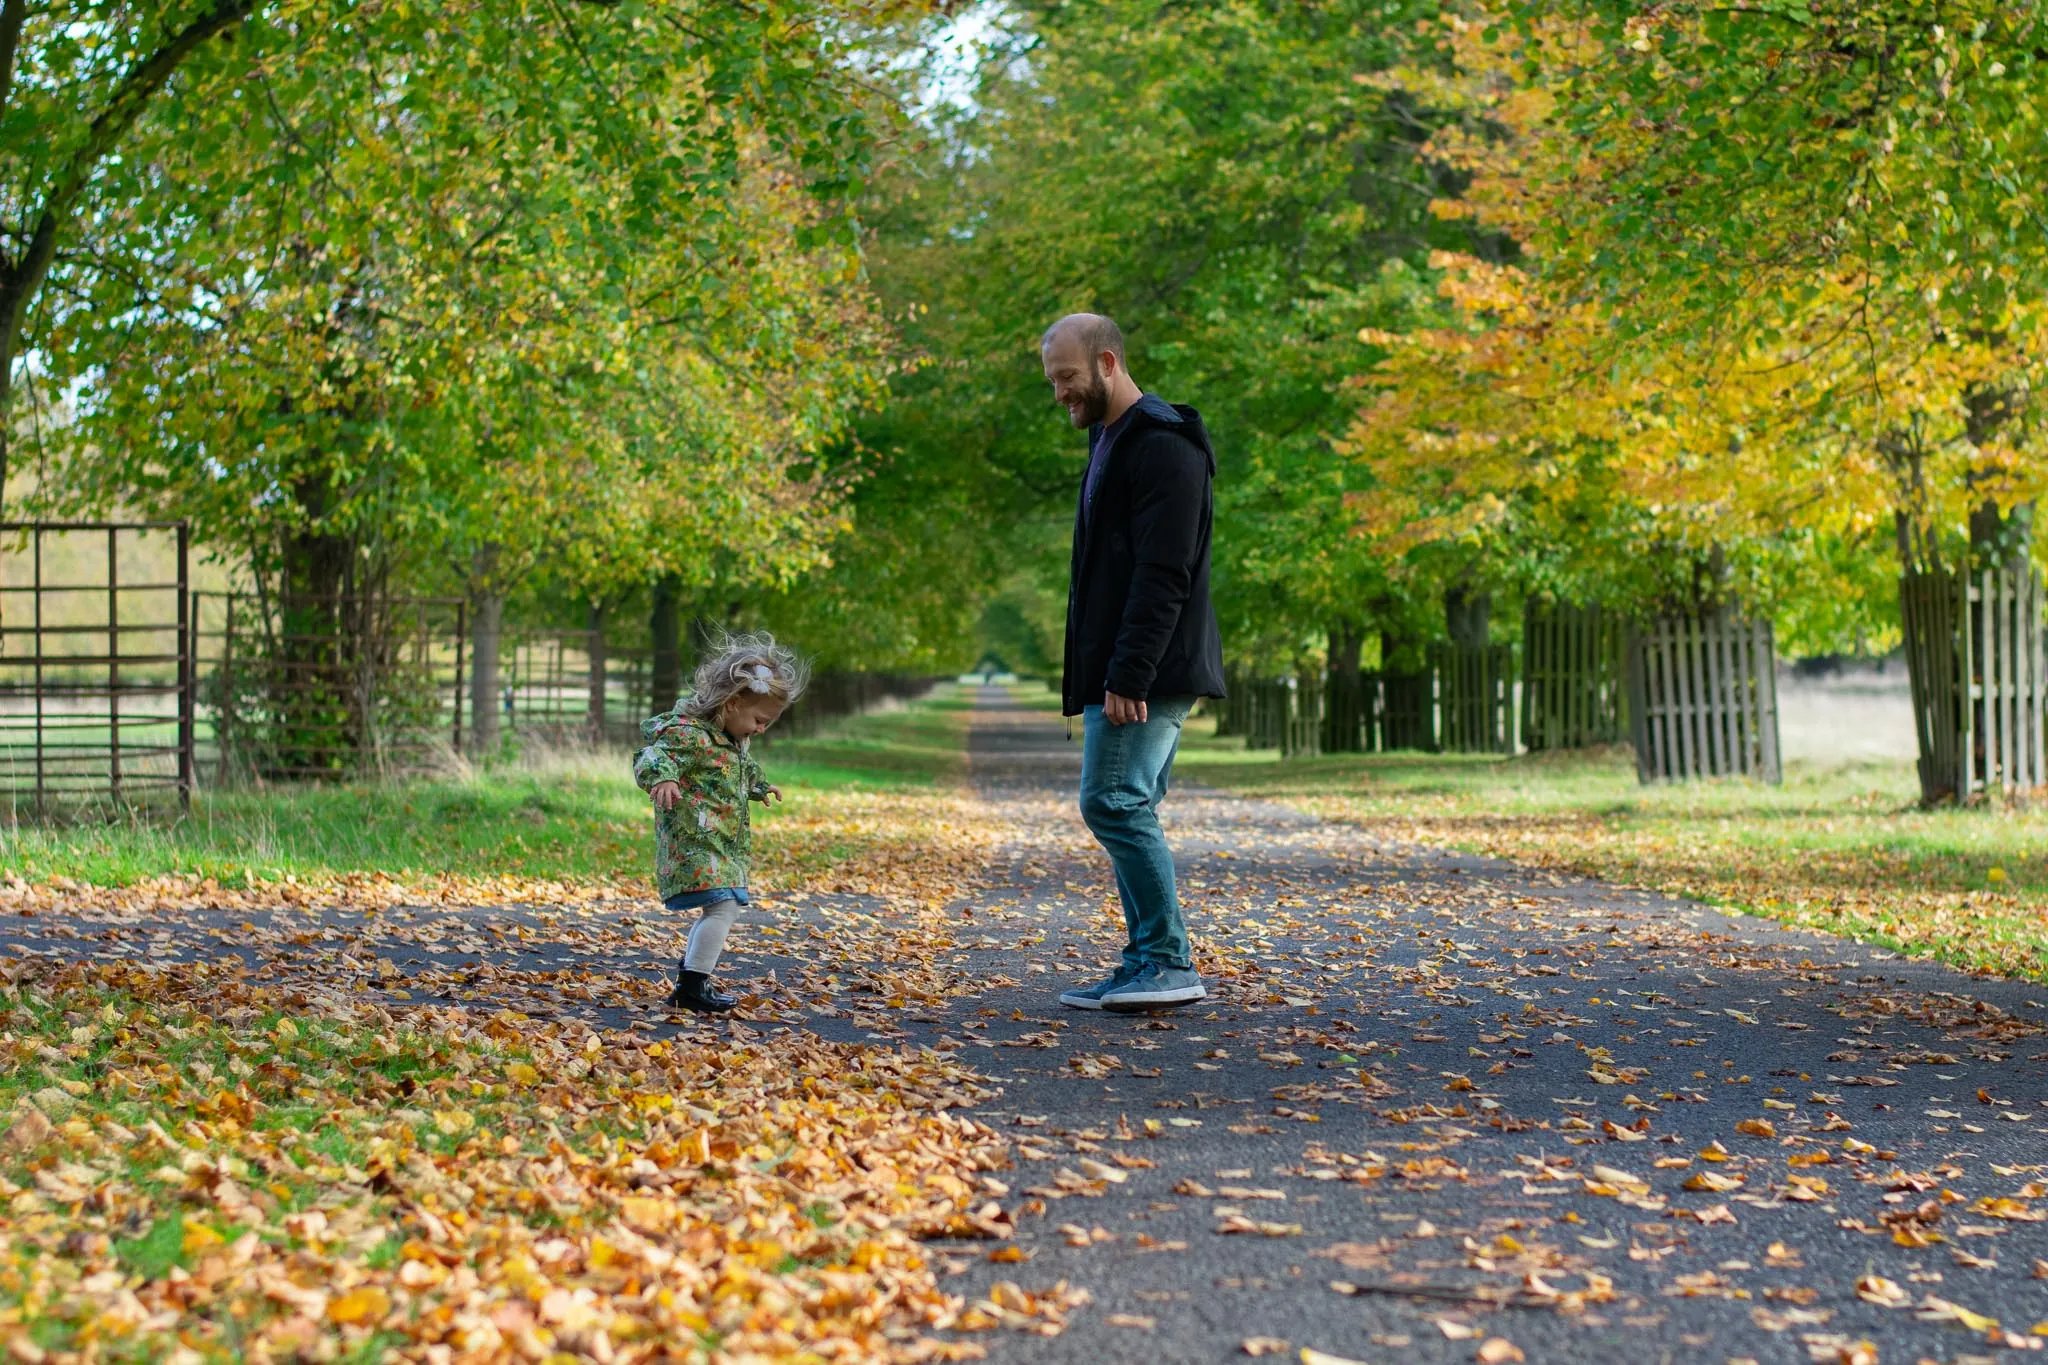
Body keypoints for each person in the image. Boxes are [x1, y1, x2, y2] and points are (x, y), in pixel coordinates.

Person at [1041, 313, 1226, 1013]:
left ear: (1108, 363)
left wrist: (1128, 673)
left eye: (1068, 378)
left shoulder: (1164, 446)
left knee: (1111, 800)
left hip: (1147, 668)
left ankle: (1167, 961)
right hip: (1123, 665)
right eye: (1052, 380)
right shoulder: (1110, 440)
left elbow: (1164, 572)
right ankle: (1145, 959)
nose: (1060, 393)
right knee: (1129, 802)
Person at [632, 632, 807, 1012]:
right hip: (695, 843)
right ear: (731, 704)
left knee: (723, 907)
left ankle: (692, 982)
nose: (761, 730)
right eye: (759, 720)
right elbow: (650, 755)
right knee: (724, 907)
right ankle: (693, 984)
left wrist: (759, 786)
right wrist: (661, 776)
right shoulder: (690, 736)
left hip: (721, 844)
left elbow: (740, 770)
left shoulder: (729, 741)